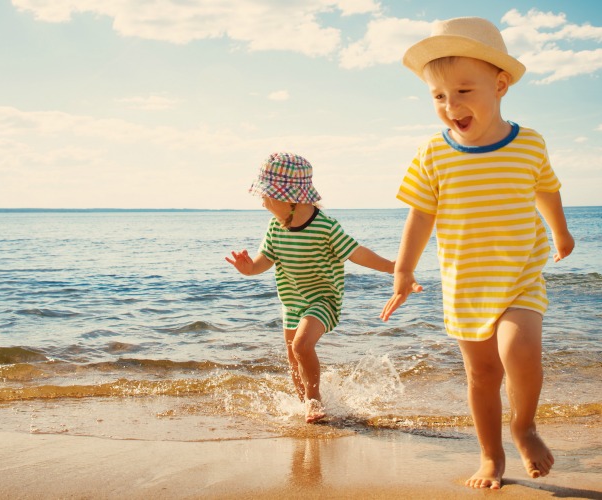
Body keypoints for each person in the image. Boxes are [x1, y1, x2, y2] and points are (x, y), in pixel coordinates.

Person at [379, 17, 576, 489]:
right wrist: (404, 269)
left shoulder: (528, 143)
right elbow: (420, 216)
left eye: (464, 91)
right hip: (465, 285)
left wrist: (561, 233)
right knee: (482, 375)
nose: (451, 106)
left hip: (520, 277)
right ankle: (490, 457)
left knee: (520, 352)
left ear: (500, 84)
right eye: (439, 96)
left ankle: (523, 426)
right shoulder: (433, 154)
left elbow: (547, 190)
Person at [227, 152, 408, 423]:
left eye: (265, 196)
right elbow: (264, 259)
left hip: (323, 299)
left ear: (287, 197)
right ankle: (306, 408)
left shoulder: (325, 226)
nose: (263, 203)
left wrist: (394, 267)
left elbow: (356, 253)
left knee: (301, 346)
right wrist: (249, 268)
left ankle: (314, 402)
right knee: (294, 360)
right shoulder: (276, 227)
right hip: (292, 301)